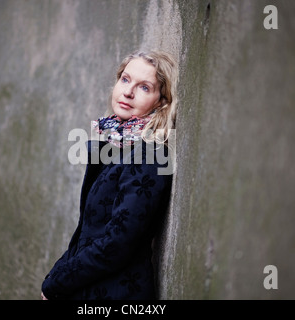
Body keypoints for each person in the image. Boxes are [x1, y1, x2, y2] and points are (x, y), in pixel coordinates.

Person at [41, 49, 178, 300]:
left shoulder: (150, 155)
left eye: (144, 87)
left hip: (118, 293)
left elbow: (117, 243)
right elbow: (86, 232)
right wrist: (54, 278)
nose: (128, 92)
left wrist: (56, 283)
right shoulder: (114, 145)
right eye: (125, 79)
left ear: (161, 101)